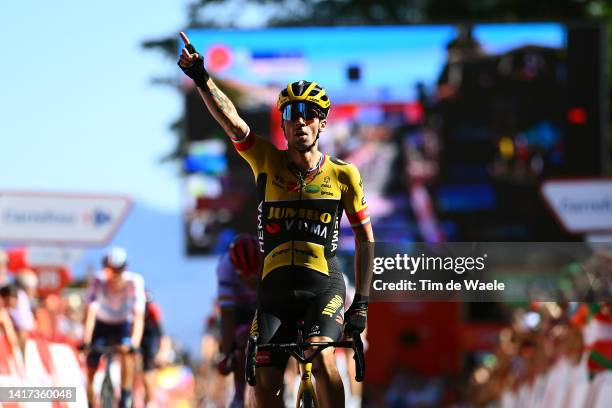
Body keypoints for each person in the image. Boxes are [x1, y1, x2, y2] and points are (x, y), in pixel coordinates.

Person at [178, 32, 375, 408]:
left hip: (323, 287)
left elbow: (366, 238)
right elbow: (232, 121)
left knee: (322, 358)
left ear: (322, 124)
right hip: (274, 291)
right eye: (290, 115)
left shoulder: (343, 173)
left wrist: (361, 303)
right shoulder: (266, 161)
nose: (299, 122)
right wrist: (202, 78)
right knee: (264, 382)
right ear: (282, 125)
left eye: (309, 115)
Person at [82, 246, 146, 408]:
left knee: (127, 354)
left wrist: (134, 344)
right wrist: (86, 341)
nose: (114, 276)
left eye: (118, 271)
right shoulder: (98, 280)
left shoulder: (134, 282)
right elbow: (90, 312)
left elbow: (138, 316)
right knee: (91, 365)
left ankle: (125, 397)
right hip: (101, 324)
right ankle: (90, 400)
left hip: (122, 324)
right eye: (110, 271)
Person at [215, 233, 261, 407]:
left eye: (253, 273)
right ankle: (239, 396)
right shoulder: (225, 267)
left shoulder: (267, 258)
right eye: (243, 274)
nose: (248, 279)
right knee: (241, 341)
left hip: (262, 302)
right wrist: (226, 353)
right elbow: (228, 315)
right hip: (239, 308)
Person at [141, 290, 164, 408]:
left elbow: (160, 334)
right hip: (139, 337)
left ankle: (151, 401)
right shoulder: (132, 309)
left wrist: (160, 351)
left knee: (148, 369)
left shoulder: (153, 312)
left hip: (149, 338)